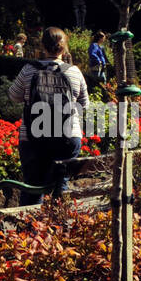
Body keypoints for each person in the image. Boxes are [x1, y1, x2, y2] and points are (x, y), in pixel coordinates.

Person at [8, 26, 89, 200]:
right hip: (68, 138)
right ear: (64, 47)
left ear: (42, 46)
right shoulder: (74, 72)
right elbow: (84, 106)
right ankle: (58, 223)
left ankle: (30, 226)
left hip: (33, 137)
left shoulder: (29, 70)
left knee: (32, 185)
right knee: (62, 185)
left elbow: (13, 96)